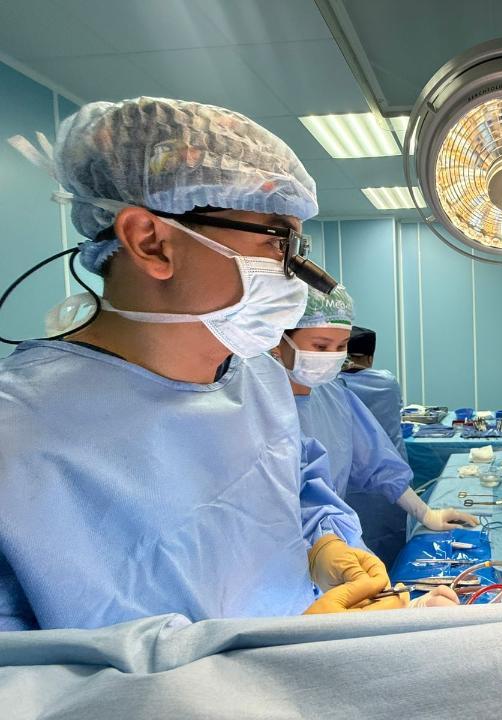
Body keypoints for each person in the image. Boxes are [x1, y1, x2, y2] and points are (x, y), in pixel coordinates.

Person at [0, 97, 445, 631]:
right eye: (278, 239)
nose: (298, 272)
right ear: (151, 241)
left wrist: (321, 542)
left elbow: (293, 491)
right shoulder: (15, 438)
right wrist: (263, 659)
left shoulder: (259, 378)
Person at [272, 285, 478, 563]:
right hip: (274, 555)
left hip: (329, 547)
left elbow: (378, 463)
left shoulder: (334, 396)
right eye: (320, 346)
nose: (332, 356)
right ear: (278, 339)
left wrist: (427, 514)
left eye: (341, 347)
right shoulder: (258, 405)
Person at [340, 325, 408, 460]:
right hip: (392, 462)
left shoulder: (332, 384)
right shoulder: (387, 382)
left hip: (351, 464)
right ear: (370, 359)